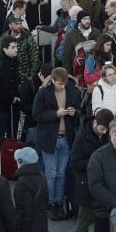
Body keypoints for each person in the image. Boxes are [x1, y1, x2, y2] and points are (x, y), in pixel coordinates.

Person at [31, 67, 81, 221]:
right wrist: (55, 114)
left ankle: (59, 202)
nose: (62, 86)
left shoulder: (73, 91)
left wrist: (74, 112)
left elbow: (80, 112)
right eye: (60, 84)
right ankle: (50, 203)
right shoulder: (43, 93)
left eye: (64, 83)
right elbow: (36, 115)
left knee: (61, 173)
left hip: (66, 137)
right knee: (51, 174)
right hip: (49, 139)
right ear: (53, 80)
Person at [68, 108, 112, 232]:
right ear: (95, 123)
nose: (104, 133)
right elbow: (75, 163)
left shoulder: (106, 136)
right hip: (86, 186)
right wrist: (95, 161)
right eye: (102, 129)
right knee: (83, 225)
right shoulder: (82, 137)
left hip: (104, 187)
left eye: (107, 130)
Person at [12, 147, 50, 232]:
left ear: (20, 162)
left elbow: (24, 212)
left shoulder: (22, 182)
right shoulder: (41, 175)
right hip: (40, 229)